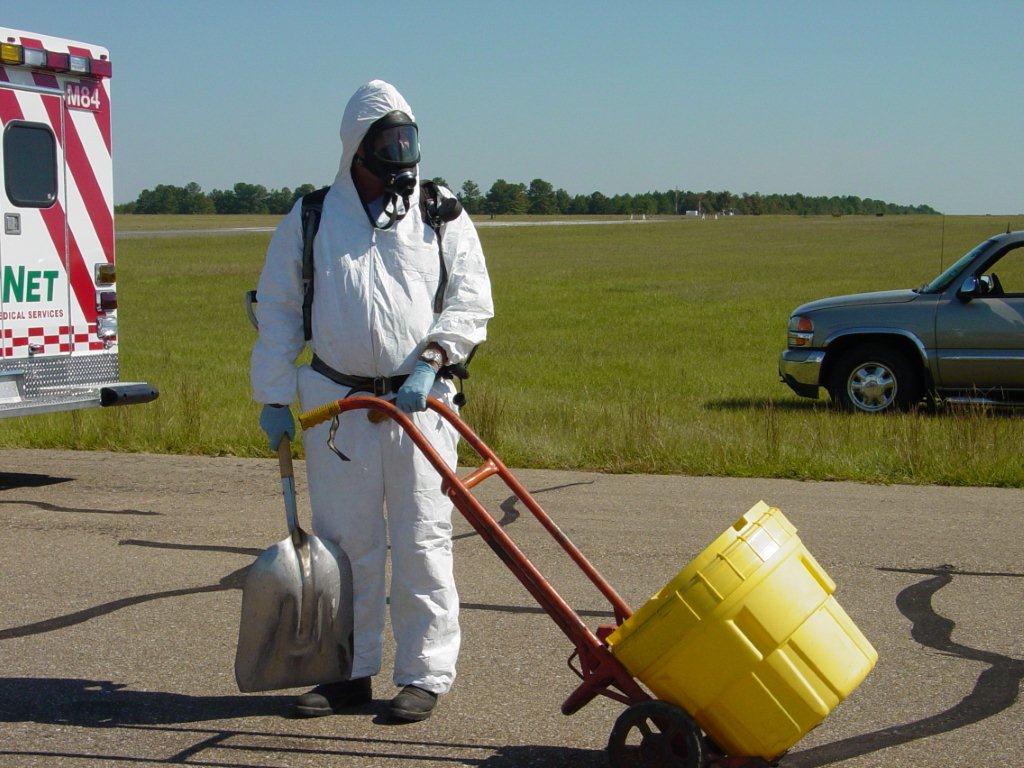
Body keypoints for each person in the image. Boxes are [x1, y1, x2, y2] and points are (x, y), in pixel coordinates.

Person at [250, 80, 493, 722]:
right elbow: (277, 311)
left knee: (423, 538)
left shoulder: (440, 212)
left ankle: (424, 674)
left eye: (408, 142)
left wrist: (435, 358)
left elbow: (472, 299)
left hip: (421, 407)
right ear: (357, 148)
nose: (403, 159)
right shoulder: (311, 218)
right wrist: (275, 397)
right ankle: (348, 673)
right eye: (389, 144)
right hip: (339, 409)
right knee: (345, 543)